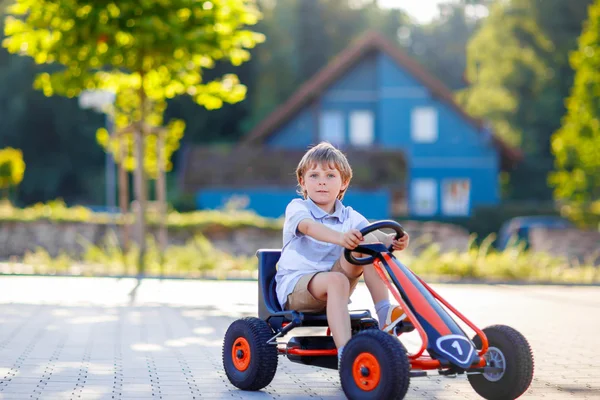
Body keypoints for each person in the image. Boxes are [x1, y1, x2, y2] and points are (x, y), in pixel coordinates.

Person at [275, 142, 411, 362]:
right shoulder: (298, 208)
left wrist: (394, 240)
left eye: (330, 176)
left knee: (366, 242)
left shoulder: (349, 216)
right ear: (303, 181)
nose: (321, 181)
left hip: (335, 283)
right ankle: (346, 355)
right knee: (337, 279)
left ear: (343, 182)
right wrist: (341, 238)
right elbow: (309, 227)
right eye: (314, 175)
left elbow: (379, 241)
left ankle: (385, 313)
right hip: (298, 287)